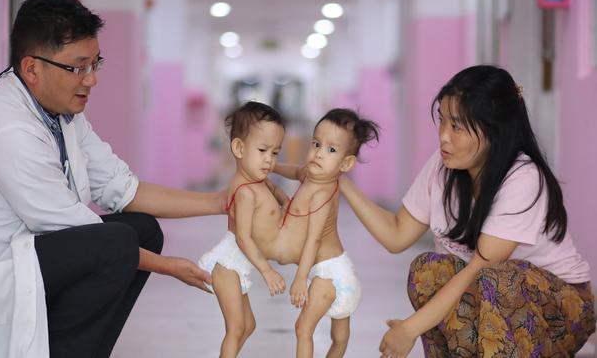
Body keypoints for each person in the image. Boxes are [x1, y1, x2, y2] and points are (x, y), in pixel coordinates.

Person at [0, 0, 221, 357]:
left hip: (30, 259)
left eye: (95, 64)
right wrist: (171, 268)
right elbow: (77, 229)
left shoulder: (62, 115)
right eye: (78, 67)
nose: (91, 80)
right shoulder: (8, 129)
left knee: (142, 229)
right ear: (32, 68)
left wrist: (221, 202)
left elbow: (122, 188)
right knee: (114, 244)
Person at [337, 65, 595, 357]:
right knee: (427, 270)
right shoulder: (443, 165)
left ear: (492, 130)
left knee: (496, 279)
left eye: (457, 126)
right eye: (442, 121)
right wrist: (341, 184)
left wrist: (410, 328)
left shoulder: (522, 177)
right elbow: (397, 235)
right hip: (493, 297)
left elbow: (480, 268)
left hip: (562, 310)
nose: (444, 136)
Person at [274, 108, 379, 358]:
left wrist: (300, 278)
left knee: (303, 328)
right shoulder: (310, 175)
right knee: (339, 339)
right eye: (316, 144)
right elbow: (295, 170)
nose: (319, 153)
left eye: (331, 150)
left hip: (331, 274)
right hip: (337, 270)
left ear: (346, 163)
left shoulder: (323, 192)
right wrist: (272, 167)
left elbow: (314, 239)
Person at [198, 101, 289, 357]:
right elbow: (243, 238)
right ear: (239, 147)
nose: (269, 160)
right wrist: (267, 271)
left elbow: (278, 192)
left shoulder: (259, 180)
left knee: (249, 325)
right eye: (262, 150)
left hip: (237, 266)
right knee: (236, 327)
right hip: (228, 265)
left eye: (275, 152)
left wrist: (285, 203)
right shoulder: (245, 191)